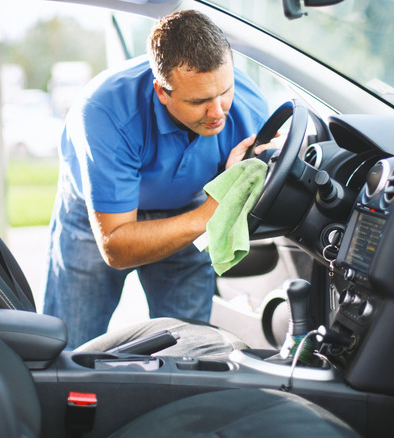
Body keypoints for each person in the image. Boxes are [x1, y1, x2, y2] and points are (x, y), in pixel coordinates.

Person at [43, 10, 270, 349]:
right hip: (99, 218)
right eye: (198, 101)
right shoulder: (105, 112)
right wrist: (211, 213)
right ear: (162, 92)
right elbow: (116, 247)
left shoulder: (249, 108)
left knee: (190, 351)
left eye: (225, 91)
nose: (218, 112)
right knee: (70, 349)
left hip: (189, 203)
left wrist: (257, 168)